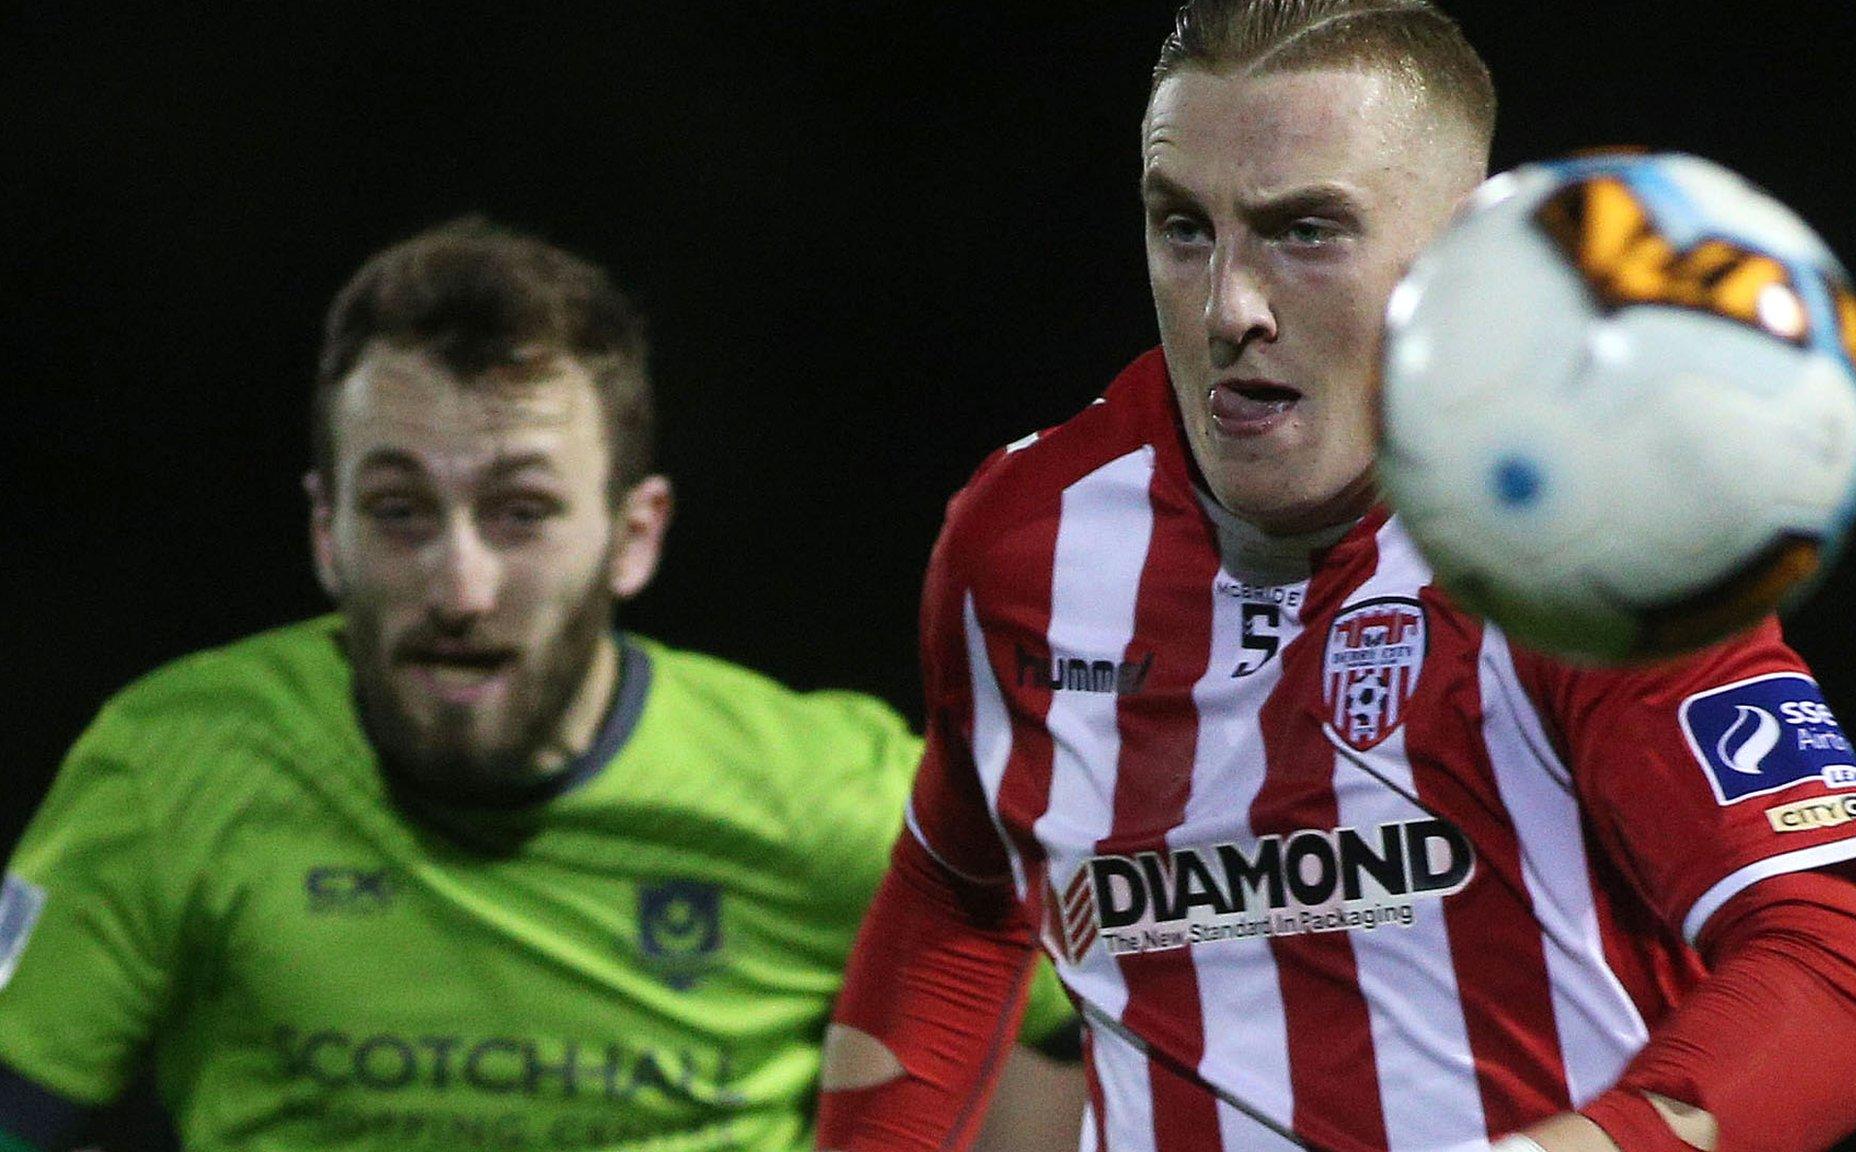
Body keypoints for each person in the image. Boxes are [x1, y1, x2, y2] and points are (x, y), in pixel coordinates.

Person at [816, 3, 1856, 1151]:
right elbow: (954, 891)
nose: (1228, 305)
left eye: (1303, 231)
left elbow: (1827, 991)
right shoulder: (1023, 543)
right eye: (1182, 227)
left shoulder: (1584, 539)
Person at [0, 220, 1082, 1152]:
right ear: (326, 533)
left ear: (632, 534)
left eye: (520, 513)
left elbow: (1090, 1042)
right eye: (398, 511)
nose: (458, 587)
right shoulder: (171, 768)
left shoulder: (838, 801)